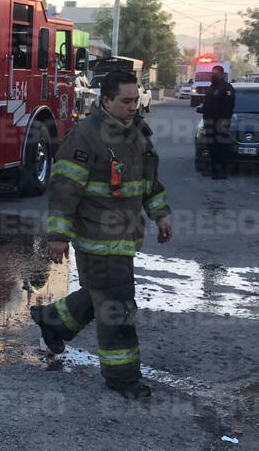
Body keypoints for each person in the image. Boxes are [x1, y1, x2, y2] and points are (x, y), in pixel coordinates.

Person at [30, 69, 173, 400]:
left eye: (136, 100)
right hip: (96, 240)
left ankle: (53, 322)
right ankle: (123, 378)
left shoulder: (137, 133)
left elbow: (149, 183)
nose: (133, 106)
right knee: (117, 308)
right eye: (126, 101)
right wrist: (58, 235)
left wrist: (161, 215)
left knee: (101, 295)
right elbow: (65, 189)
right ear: (106, 101)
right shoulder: (86, 136)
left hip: (125, 240)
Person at [201, 65, 236, 180]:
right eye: (212, 73)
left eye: (216, 73)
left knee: (221, 147)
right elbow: (208, 103)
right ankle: (214, 170)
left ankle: (223, 172)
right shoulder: (212, 87)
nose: (213, 75)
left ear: (222, 74)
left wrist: (225, 120)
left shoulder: (227, 88)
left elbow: (229, 106)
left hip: (221, 122)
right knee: (212, 147)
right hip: (209, 122)